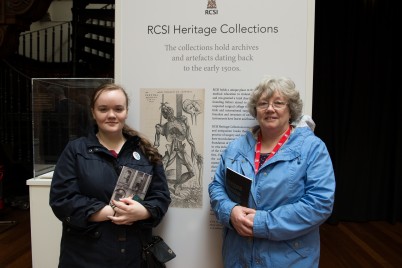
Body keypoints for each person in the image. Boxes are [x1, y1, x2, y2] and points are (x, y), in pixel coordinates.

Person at [208, 76, 335, 268]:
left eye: (278, 103)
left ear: (290, 109)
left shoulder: (312, 148)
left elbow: (320, 203)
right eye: (263, 103)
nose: (269, 109)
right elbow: (217, 187)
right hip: (239, 257)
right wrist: (230, 211)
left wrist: (262, 222)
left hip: (289, 259)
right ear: (256, 110)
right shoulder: (236, 147)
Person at [49, 83, 171, 268]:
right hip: (85, 255)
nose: (111, 115)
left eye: (118, 109)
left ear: (126, 111)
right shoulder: (75, 150)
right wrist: (105, 212)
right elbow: (62, 199)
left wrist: (144, 211)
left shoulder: (146, 152)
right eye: (103, 109)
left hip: (133, 254)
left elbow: (161, 196)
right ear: (93, 112)